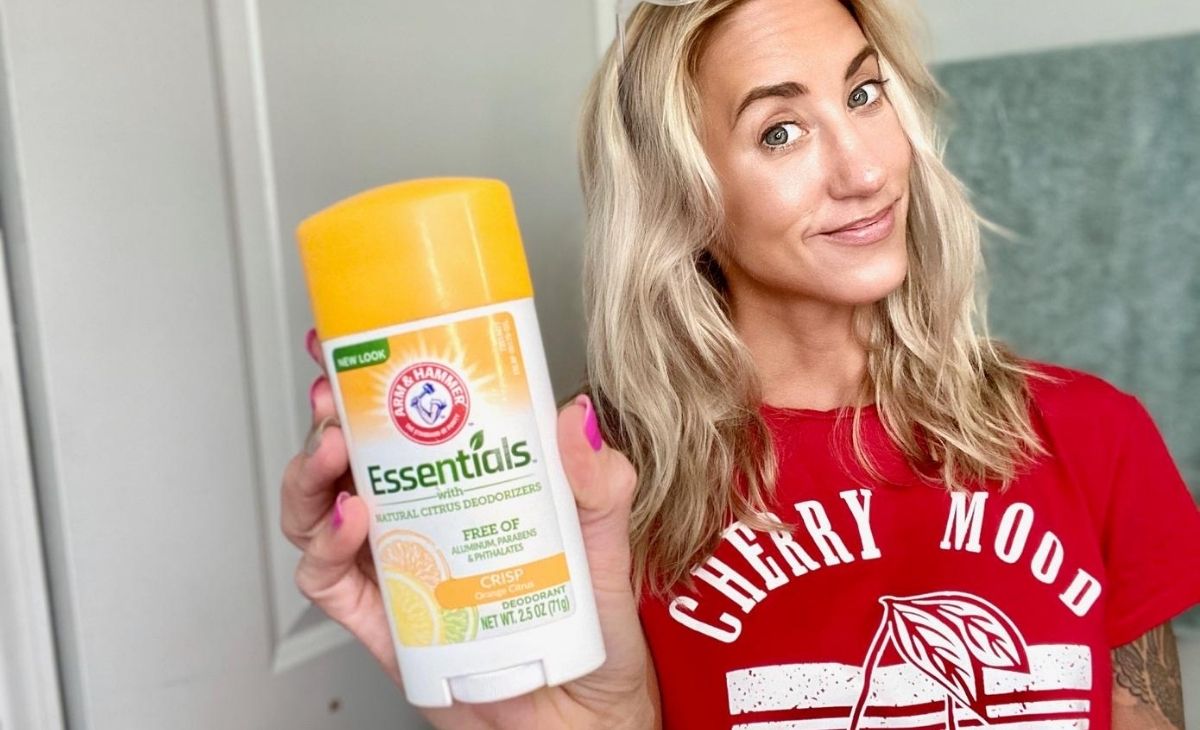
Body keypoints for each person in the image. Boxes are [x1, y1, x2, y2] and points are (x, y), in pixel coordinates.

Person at [280, 0, 1200, 728]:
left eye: (865, 95)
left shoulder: (1091, 433)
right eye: (779, 132)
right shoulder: (587, 487)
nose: (866, 170)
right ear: (684, 199)